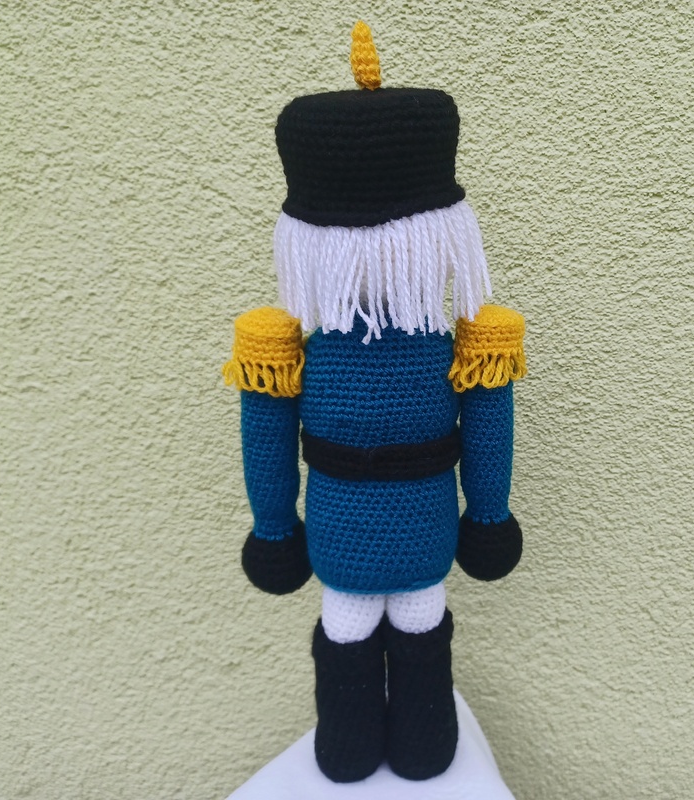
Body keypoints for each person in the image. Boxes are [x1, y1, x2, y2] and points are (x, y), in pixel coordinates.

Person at [225, 22, 526, 783]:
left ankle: (383, 746)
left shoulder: (452, 341)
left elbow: (268, 431)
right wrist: (487, 518)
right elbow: (486, 420)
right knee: (365, 621)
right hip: (383, 529)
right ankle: (384, 746)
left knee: (395, 620)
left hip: (382, 529)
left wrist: (274, 528)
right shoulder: (443, 344)